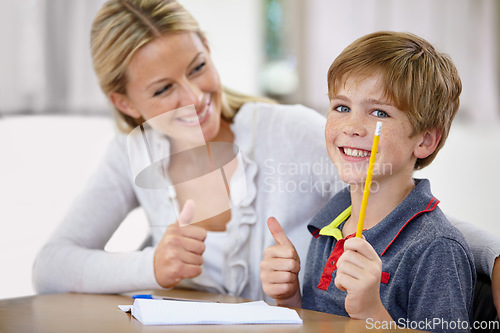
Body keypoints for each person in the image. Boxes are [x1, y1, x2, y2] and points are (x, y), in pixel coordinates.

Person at [33, 0, 500, 309]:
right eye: (163, 89)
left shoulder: (284, 133)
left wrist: (493, 257)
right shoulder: (132, 154)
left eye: (198, 67)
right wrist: (151, 266)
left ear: (209, 52)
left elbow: (398, 205)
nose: (194, 96)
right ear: (126, 103)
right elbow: (50, 265)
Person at [260, 31, 475, 327]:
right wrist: (290, 299)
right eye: (342, 107)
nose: (352, 126)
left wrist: (372, 312)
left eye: (379, 112)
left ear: (425, 140)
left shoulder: (436, 248)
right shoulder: (327, 226)